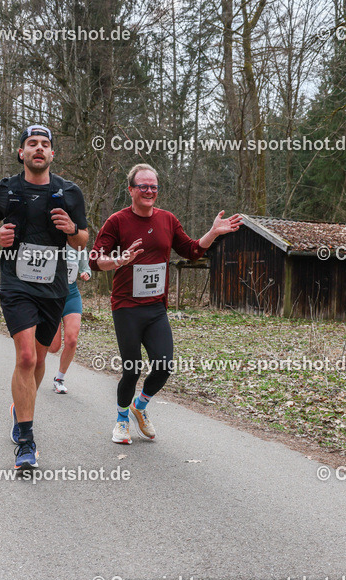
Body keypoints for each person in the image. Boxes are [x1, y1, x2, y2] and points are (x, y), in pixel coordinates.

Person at [89, 163, 241, 444]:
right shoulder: (117, 221)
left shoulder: (167, 220)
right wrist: (119, 260)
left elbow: (192, 251)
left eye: (154, 186)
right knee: (132, 368)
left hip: (156, 308)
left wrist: (214, 233)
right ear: (131, 190)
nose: (149, 191)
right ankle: (122, 420)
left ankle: (140, 407)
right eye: (143, 186)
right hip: (126, 306)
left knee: (163, 365)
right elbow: (95, 261)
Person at [0, 124, 88, 469]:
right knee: (25, 358)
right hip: (16, 284)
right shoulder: (6, 189)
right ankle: (26, 441)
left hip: (54, 287)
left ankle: (19, 407)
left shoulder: (69, 192)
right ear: (21, 153)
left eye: (45, 144)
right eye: (31, 144)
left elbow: (83, 238)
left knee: (40, 361)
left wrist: (72, 230)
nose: (38, 149)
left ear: (52, 154)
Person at [47, 245, 90, 394]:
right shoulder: (48, 239)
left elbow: (86, 268)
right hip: (50, 296)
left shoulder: (78, 244)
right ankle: (35, 340)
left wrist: (85, 273)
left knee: (72, 340)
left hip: (71, 295)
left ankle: (59, 379)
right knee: (53, 347)